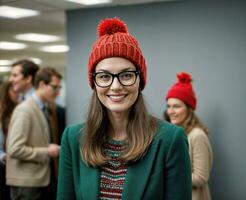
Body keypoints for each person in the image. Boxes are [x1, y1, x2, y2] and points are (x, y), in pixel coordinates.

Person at [57, 17, 191, 200]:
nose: (116, 86)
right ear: (94, 82)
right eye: (104, 76)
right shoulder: (73, 138)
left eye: (126, 75)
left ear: (139, 80)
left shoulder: (170, 140)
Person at [6, 67, 62, 200]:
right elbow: (14, 149)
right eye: (55, 87)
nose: (58, 92)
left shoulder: (45, 108)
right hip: (27, 184)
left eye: (59, 88)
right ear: (42, 84)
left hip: (40, 180)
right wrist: (47, 152)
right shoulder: (25, 110)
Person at [164, 72, 213, 200]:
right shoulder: (172, 134)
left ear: (188, 109)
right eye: (168, 106)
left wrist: (166, 173)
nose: (170, 111)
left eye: (176, 106)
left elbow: (201, 178)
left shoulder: (197, 136)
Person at [0, 82, 19, 200]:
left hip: (16, 165)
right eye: (14, 91)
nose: (18, 94)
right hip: (3, 166)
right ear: (6, 93)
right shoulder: (2, 114)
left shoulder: (19, 109)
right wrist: (4, 156)